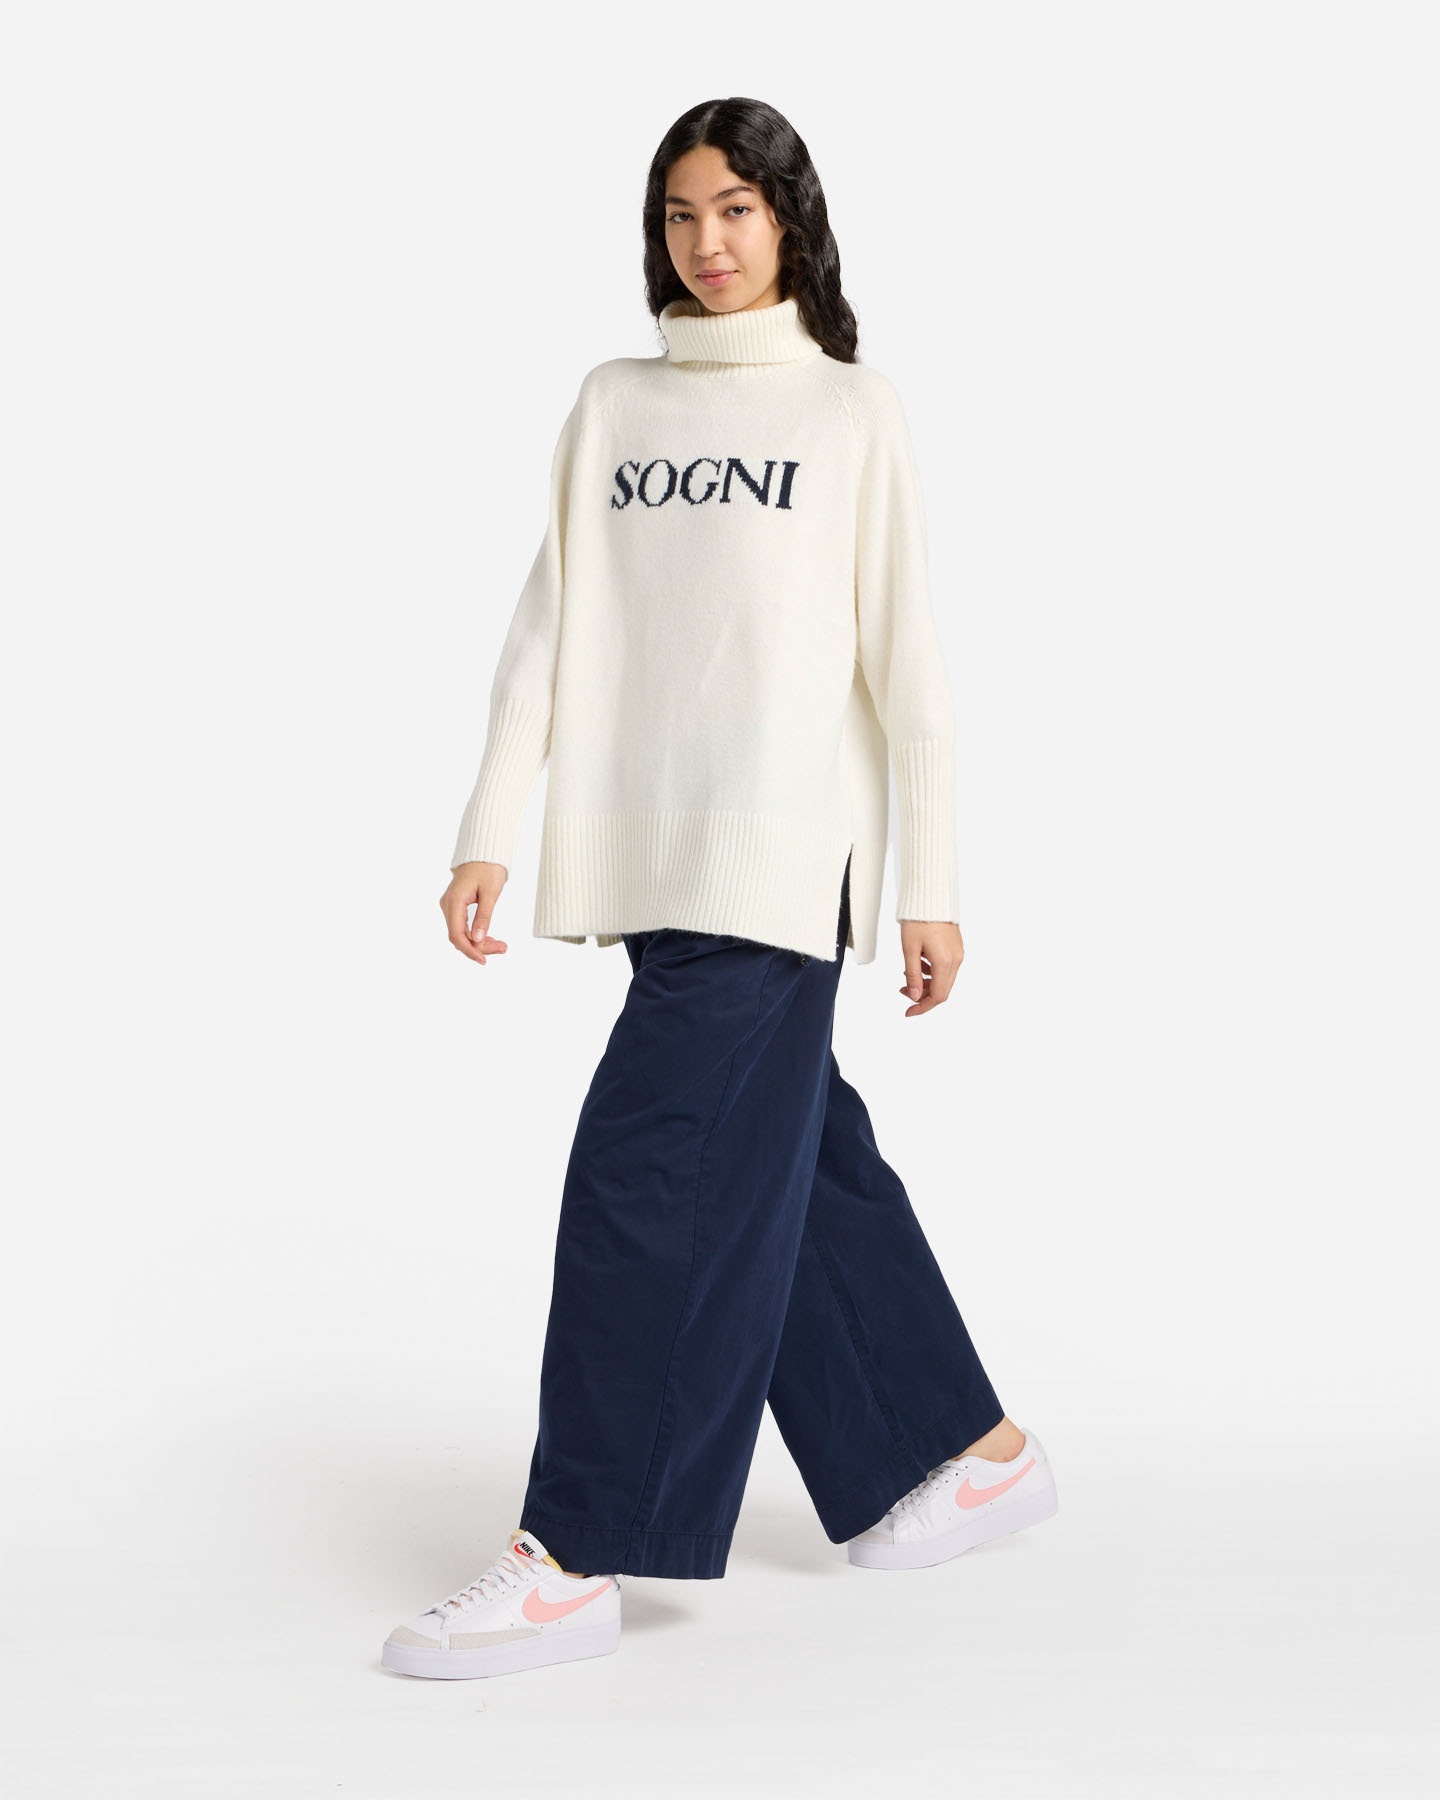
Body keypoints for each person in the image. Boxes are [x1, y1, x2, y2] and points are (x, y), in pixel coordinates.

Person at [381, 96, 1057, 1684]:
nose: (709, 241)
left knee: (653, 1172)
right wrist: (488, 827)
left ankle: (577, 1550)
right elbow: (548, 630)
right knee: (786, 1152)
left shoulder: (851, 411)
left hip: (781, 853)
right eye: (682, 214)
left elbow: (908, 662)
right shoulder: (614, 403)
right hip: (649, 853)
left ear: (789, 220)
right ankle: (956, 1451)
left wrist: (931, 883)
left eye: (737, 209)